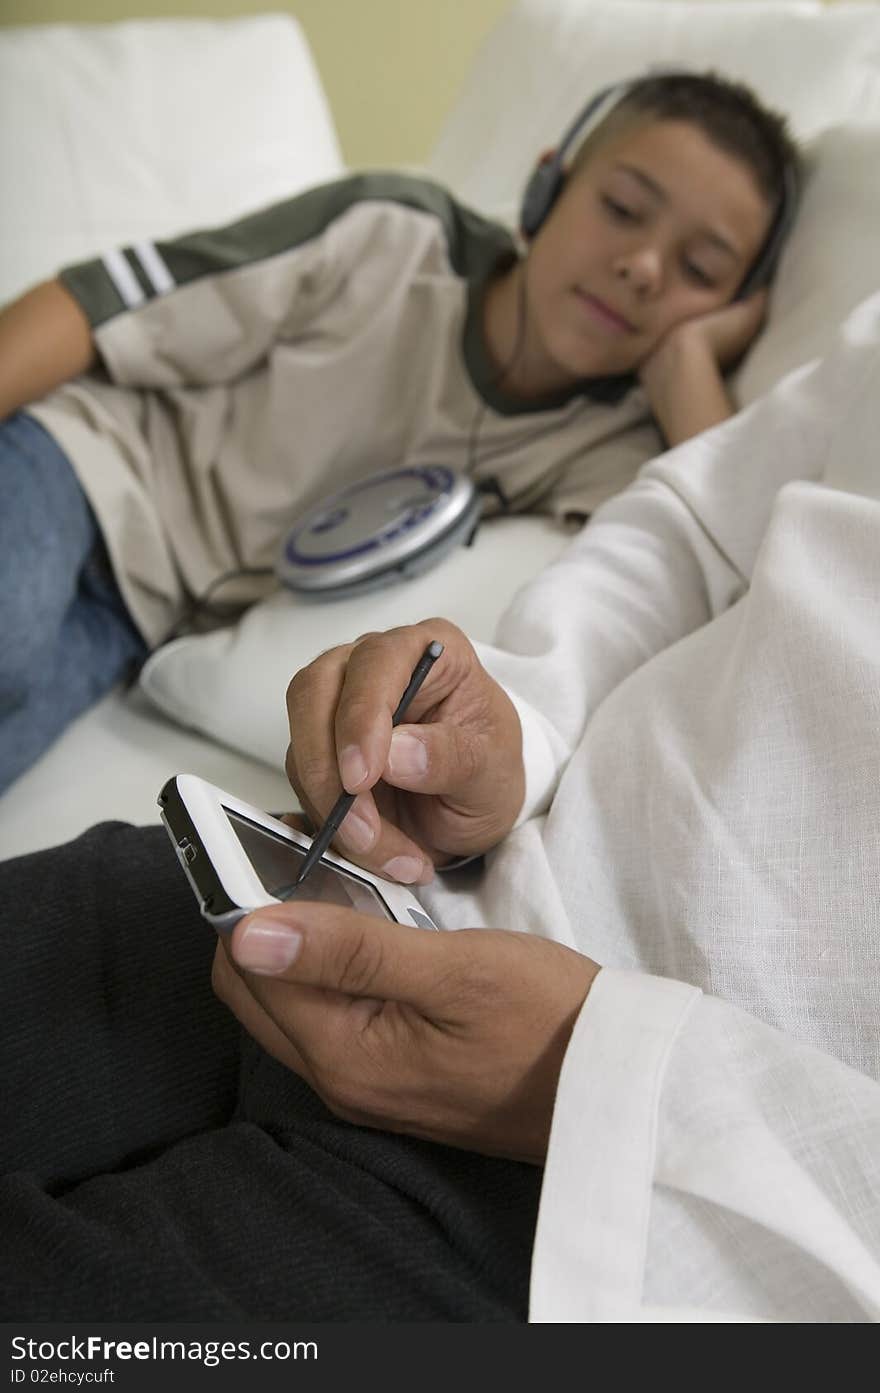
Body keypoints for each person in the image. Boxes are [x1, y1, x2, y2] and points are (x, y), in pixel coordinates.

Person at [2, 289, 880, 1323]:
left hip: (615, 1242)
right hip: (376, 901)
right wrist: (515, 728)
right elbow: (687, 537)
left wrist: (612, 1071)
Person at [0, 71, 800, 792]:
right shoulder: (390, 233)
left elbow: (741, 602)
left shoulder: (614, 448)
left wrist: (688, 364)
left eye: (700, 270)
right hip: (84, 464)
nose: (645, 267)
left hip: (136, 620)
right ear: (545, 192)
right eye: (622, 210)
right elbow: (92, 303)